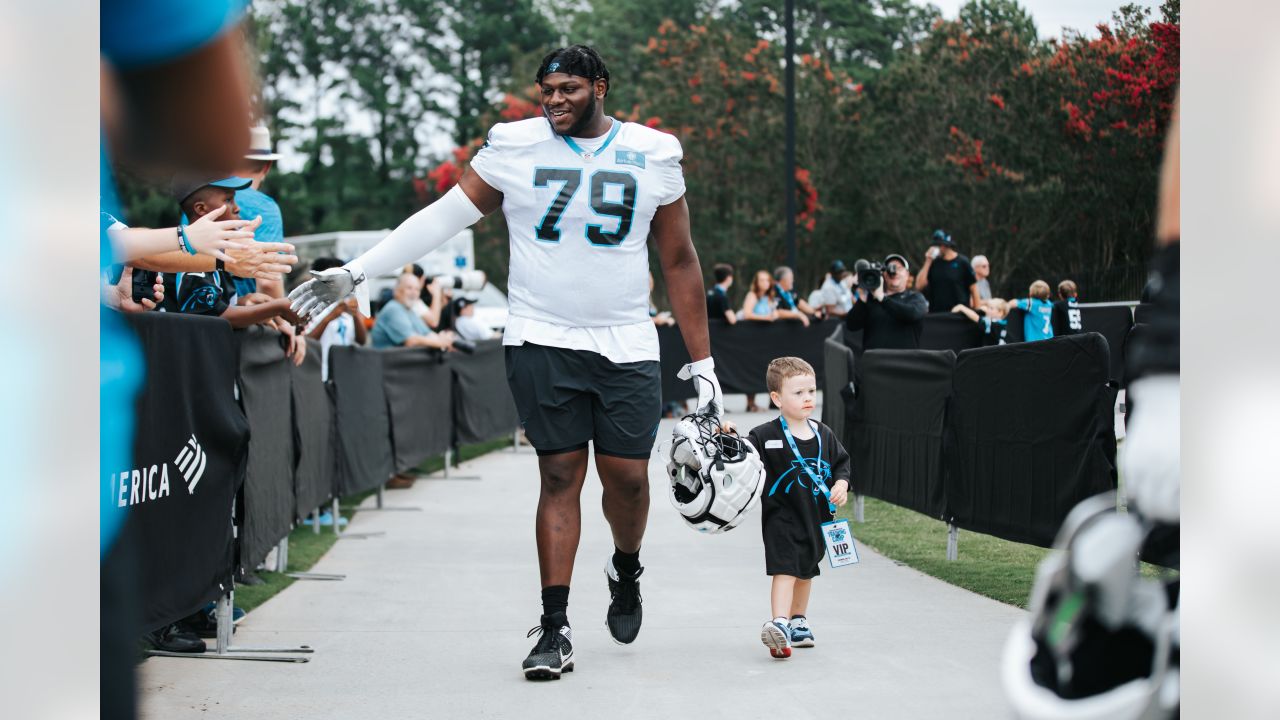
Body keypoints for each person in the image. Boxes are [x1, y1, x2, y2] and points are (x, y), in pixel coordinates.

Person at [287, 45, 724, 681]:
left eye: (569, 88)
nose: (554, 101)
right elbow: (441, 218)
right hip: (541, 336)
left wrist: (704, 366)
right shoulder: (515, 146)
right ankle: (554, 627)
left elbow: (680, 261)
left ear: (601, 86)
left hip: (626, 340)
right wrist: (356, 273)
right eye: (546, 90)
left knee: (628, 479)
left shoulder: (653, 153)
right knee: (559, 476)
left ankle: (625, 567)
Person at [745, 357, 850, 659]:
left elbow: (842, 464)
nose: (808, 399)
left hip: (816, 516)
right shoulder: (765, 435)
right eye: (798, 393)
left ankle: (799, 620)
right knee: (785, 569)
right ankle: (779, 622)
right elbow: (745, 455)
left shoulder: (823, 433)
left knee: (807, 570)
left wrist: (841, 485)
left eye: (811, 391)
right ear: (777, 398)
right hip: (781, 517)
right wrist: (727, 435)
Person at [162, 175, 302, 330]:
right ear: (201, 209)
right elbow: (216, 318)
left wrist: (245, 302)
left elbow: (216, 306)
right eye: (228, 200)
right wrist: (278, 307)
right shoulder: (192, 257)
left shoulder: (216, 251)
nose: (237, 208)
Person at [231, 124, 287, 299]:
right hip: (239, 320)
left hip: (192, 315)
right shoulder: (265, 208)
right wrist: (285, 320)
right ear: (267, 166)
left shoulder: (201, 198)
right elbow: (269, 281)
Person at [843, 253, 928, 351]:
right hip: (874, 363)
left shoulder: (915, 297)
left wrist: (882, 298)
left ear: (907, 275)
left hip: (905, 363)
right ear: (883, 274)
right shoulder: (871, 299)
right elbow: (851, 325)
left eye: (899, 268)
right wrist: (862, 298)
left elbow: (912, 314)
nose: (894, 272)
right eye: (889, 268)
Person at [306, 257, 369, 380]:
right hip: (320, 375)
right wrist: (330, 317)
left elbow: (362, 340)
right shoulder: (311, 306)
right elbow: (306, 342)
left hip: (346, 375)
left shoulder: (347, 302)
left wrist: (355, 315)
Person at [370, 273, 457, 350]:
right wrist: (442, 343)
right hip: (386, 365)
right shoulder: (393, 309)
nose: (414, 292)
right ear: (397, 291)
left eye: (417, 289)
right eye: (409, 288)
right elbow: (411, 340)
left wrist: (442, 338)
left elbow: (427, 333)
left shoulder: (409, 310)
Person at [915, 229, 980, 313]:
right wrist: (928, 261)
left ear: (947, 245)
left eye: (939, 245)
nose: (937, 247)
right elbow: (919, 286)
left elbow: (974, 289)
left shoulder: (962, 262)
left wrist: (978, 313)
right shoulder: (933, 263)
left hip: (959, 314)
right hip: (937, 315)